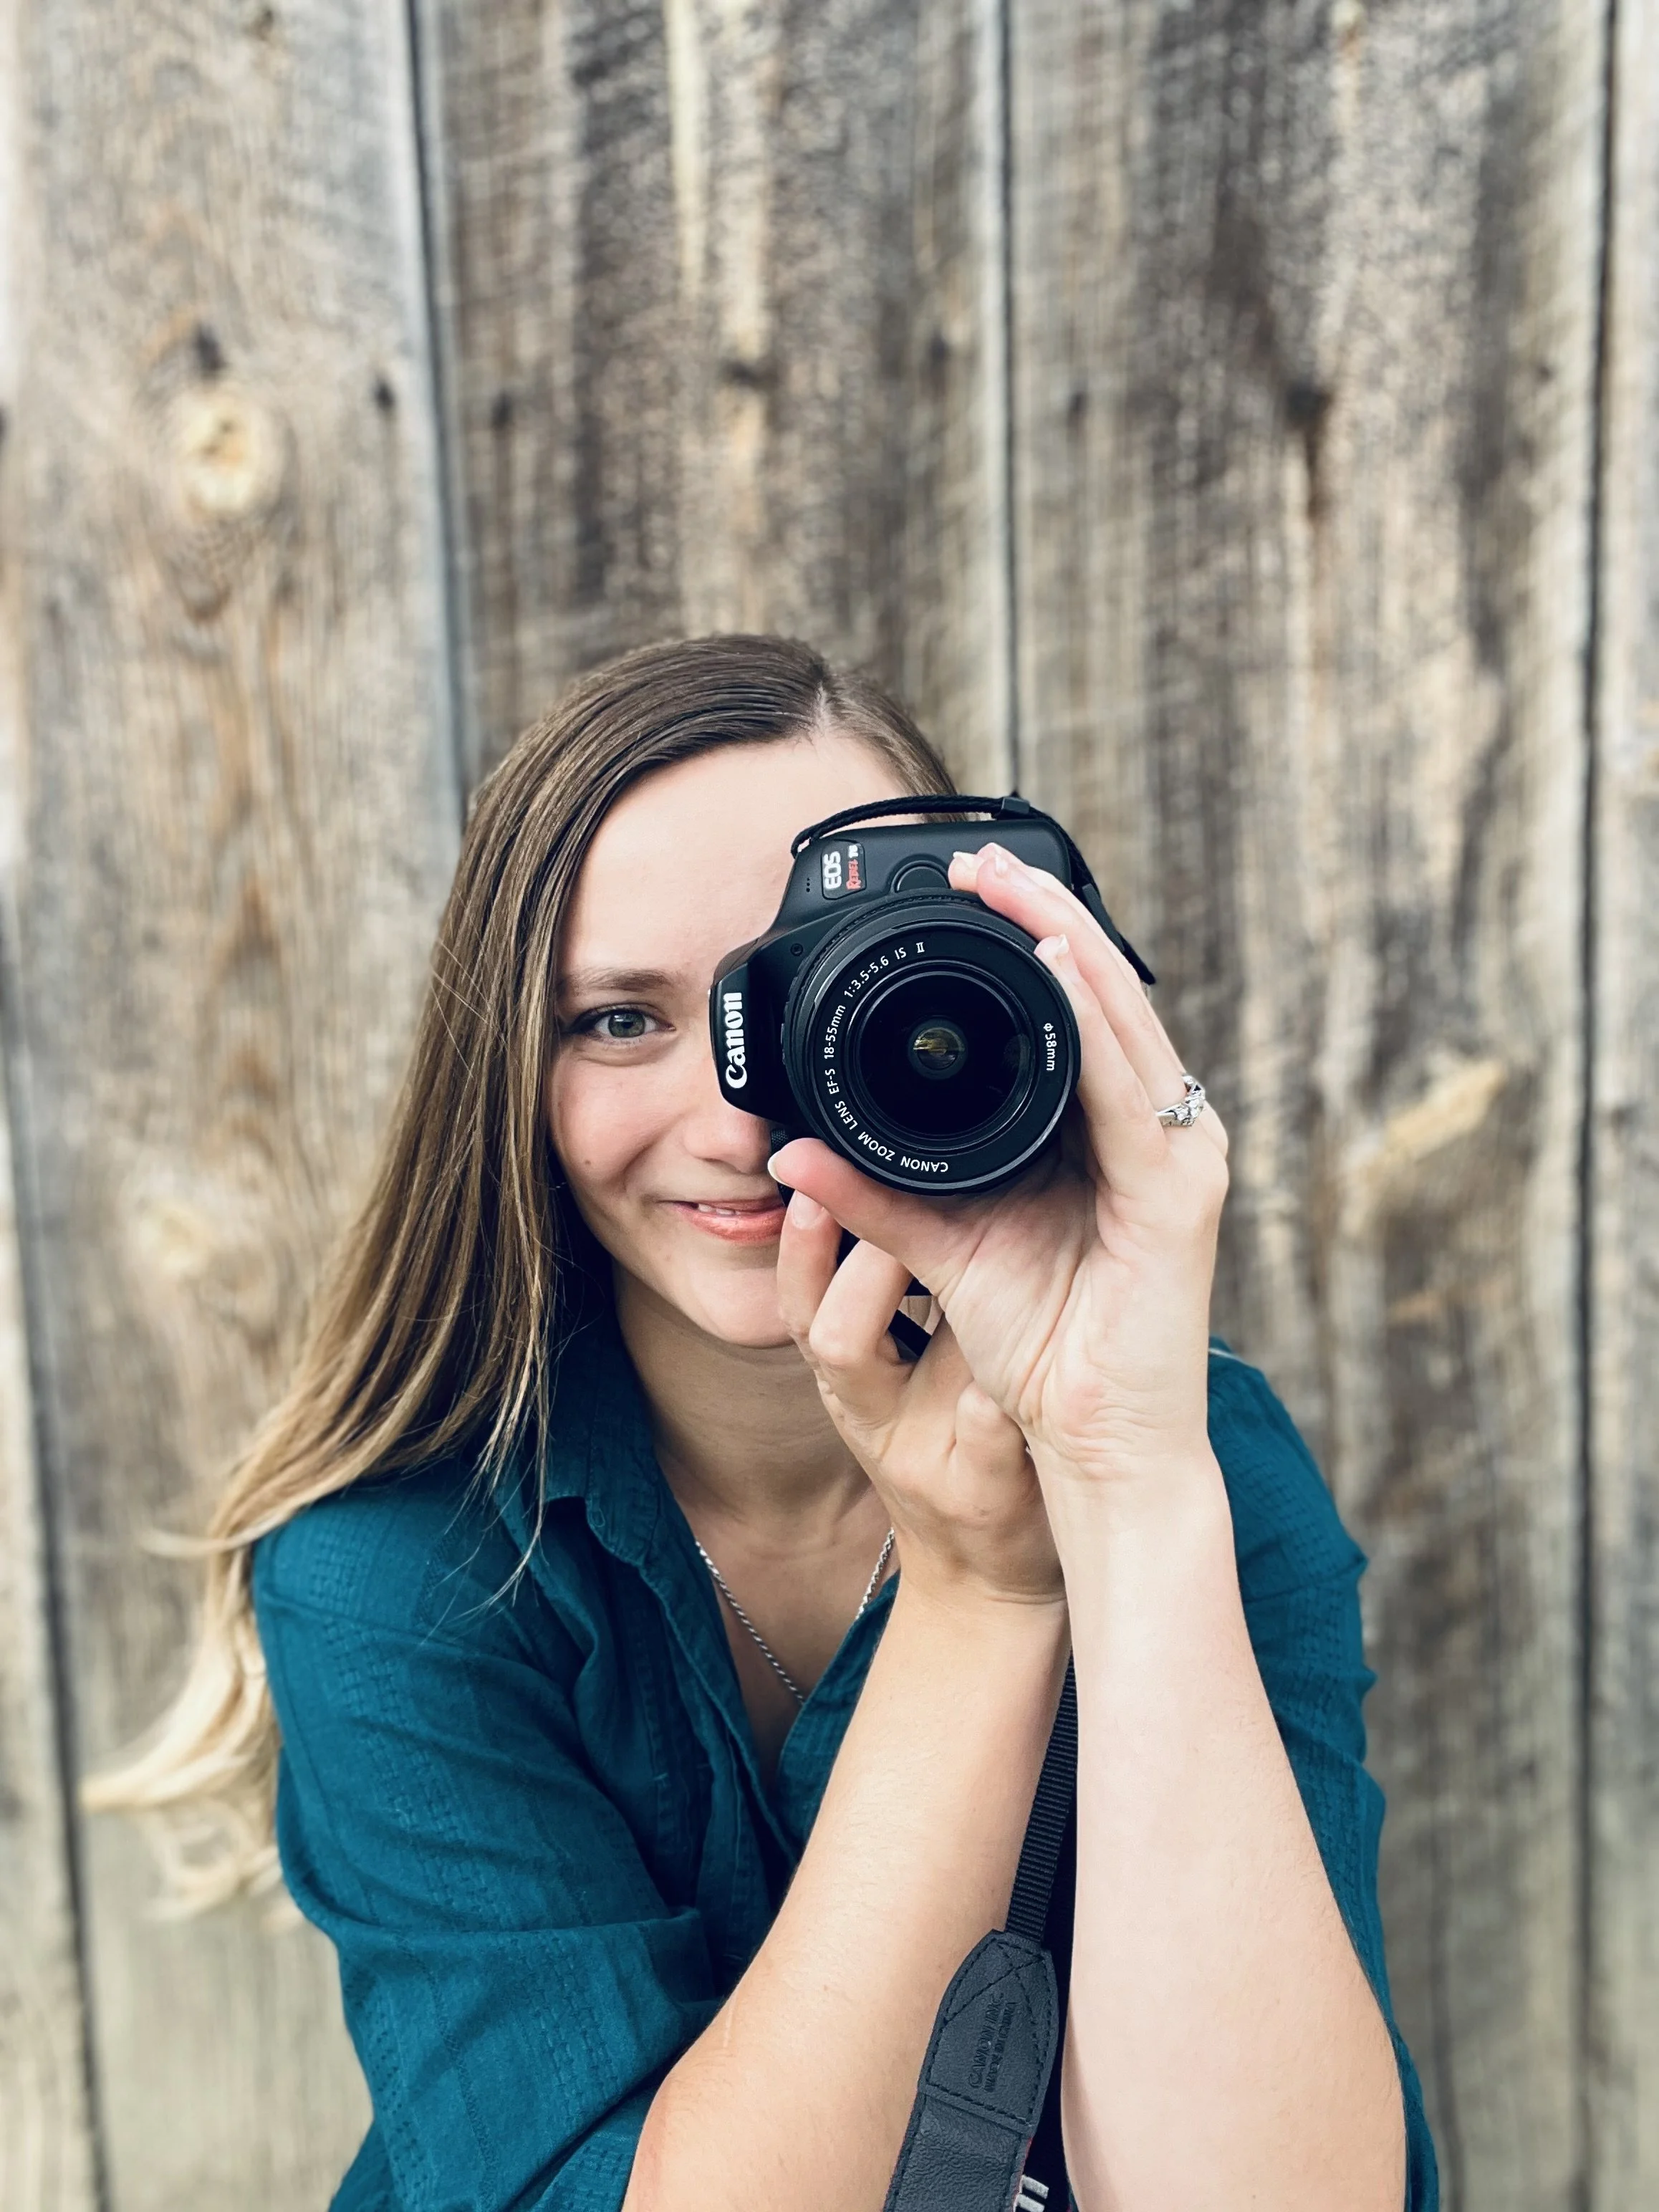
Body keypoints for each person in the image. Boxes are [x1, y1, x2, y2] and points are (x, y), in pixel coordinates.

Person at [92, 634, 1436, 2209]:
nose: (743, 1116)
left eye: (818, 1001)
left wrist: (1123, 1484)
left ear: (1019, 1004)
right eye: (618, 1020)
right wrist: (980, 1590)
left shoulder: (1185, 1452)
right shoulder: (398, 1565)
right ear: (508, 1073)